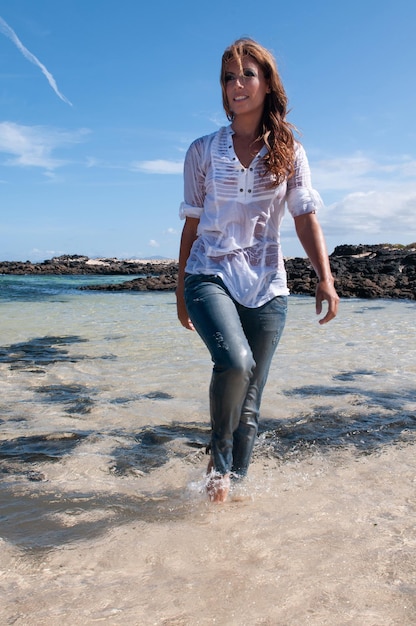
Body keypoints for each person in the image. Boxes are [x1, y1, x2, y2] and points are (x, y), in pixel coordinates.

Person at [176, 38, 339, 503]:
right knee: (234, 362)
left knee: (250, 404)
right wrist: (180, 287)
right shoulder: (202, 150)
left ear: (267, 83)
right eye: (229, 77)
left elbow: (306, 218)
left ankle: (229, 503)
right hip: (209, 271)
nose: (237, 84)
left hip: (269, 284)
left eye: (247, 74)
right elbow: (191, 222)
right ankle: (219, 472)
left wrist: (324, 278)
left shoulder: (290, 150)